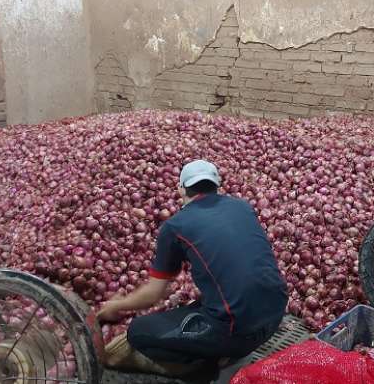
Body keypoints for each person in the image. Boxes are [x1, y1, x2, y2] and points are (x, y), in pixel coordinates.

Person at [97, 159, 288, 375]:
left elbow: (153, 294)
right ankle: (223, 349)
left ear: (181, 189)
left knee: (138, 332)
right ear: (217, 185)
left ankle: (202, 368)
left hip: (239, 333)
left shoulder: (176, 225)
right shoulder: (242, 206)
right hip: (275, 317)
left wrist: (118, 306)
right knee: (202, 305)